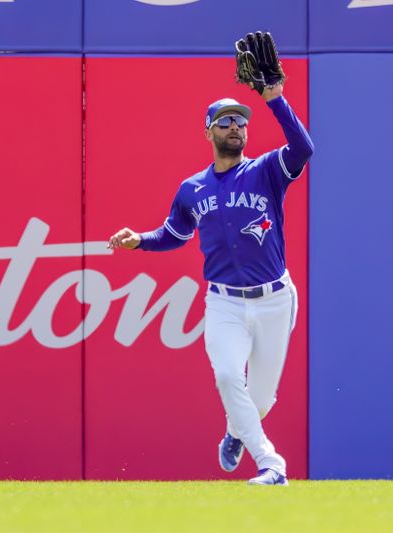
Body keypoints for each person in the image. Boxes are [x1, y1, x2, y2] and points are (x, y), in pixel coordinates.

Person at [107, 79, 313, 486]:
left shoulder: (267, 170)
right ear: (208, 132)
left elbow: (303, 149)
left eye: (240, 121)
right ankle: (272, 464)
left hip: (274, 299)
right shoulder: (192, 190)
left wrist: (275, 99)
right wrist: (141, 241)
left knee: (260, 401)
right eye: (224, 121)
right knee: (226, 376)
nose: (234, 126)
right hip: (225, 304)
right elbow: (174, 234)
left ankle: (236, 431)